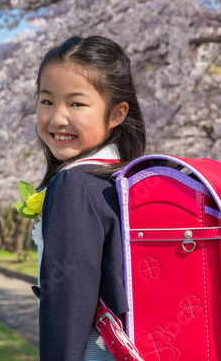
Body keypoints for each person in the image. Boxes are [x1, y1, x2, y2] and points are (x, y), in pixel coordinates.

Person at [33, 35, 146, 360]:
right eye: (47, 101)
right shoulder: (125, 180)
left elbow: (66, 308)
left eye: (76, 103)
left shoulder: (74, 185)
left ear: (117, 113)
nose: (57, 118)